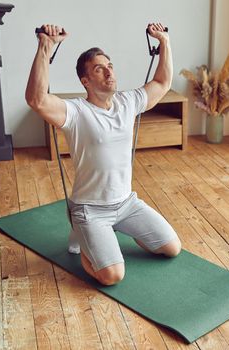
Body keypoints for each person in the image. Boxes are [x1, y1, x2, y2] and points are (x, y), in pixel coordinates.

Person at [25, 23, 181, 286]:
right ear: (85, 81)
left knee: (172, 248)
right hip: (91, 209)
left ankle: (112, 231)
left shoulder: (127, 102)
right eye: (99, 69)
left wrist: (164, 41)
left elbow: (163, 82)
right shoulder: (75, 112)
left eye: (110, 66)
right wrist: (45, 46)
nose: (109, 72)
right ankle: (83, 232)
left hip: (127, 204)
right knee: (112, 276)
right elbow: (37, 99)